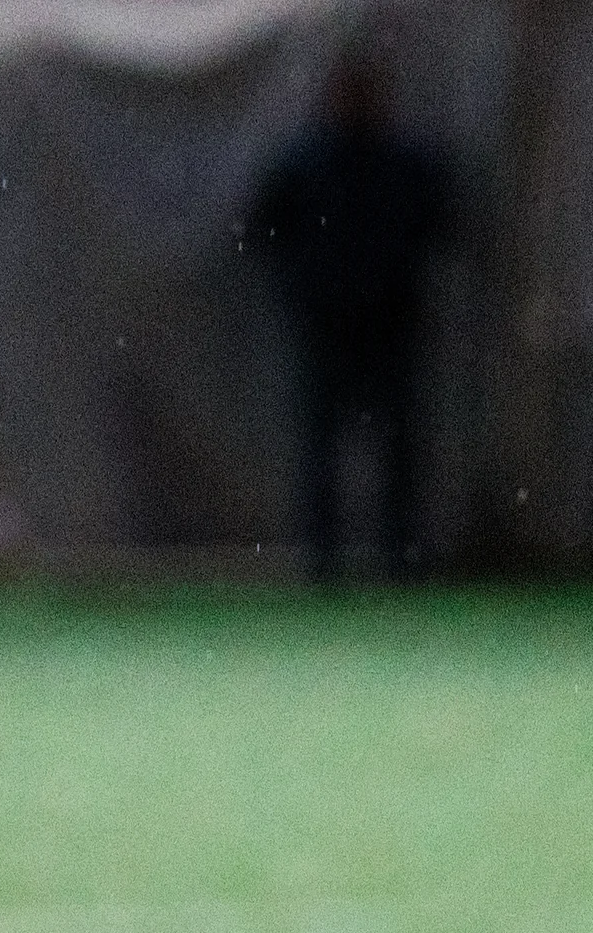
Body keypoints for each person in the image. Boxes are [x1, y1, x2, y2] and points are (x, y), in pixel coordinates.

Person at [244, 56, 452, 584]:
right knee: (322, 450)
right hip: (328, 327)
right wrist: (304, 284)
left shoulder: (402, 162)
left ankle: (398, 557)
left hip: (388, 324)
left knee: (397, 448)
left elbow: (444, 222)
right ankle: (325, 561)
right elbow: (260, 228)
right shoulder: (307, 163)